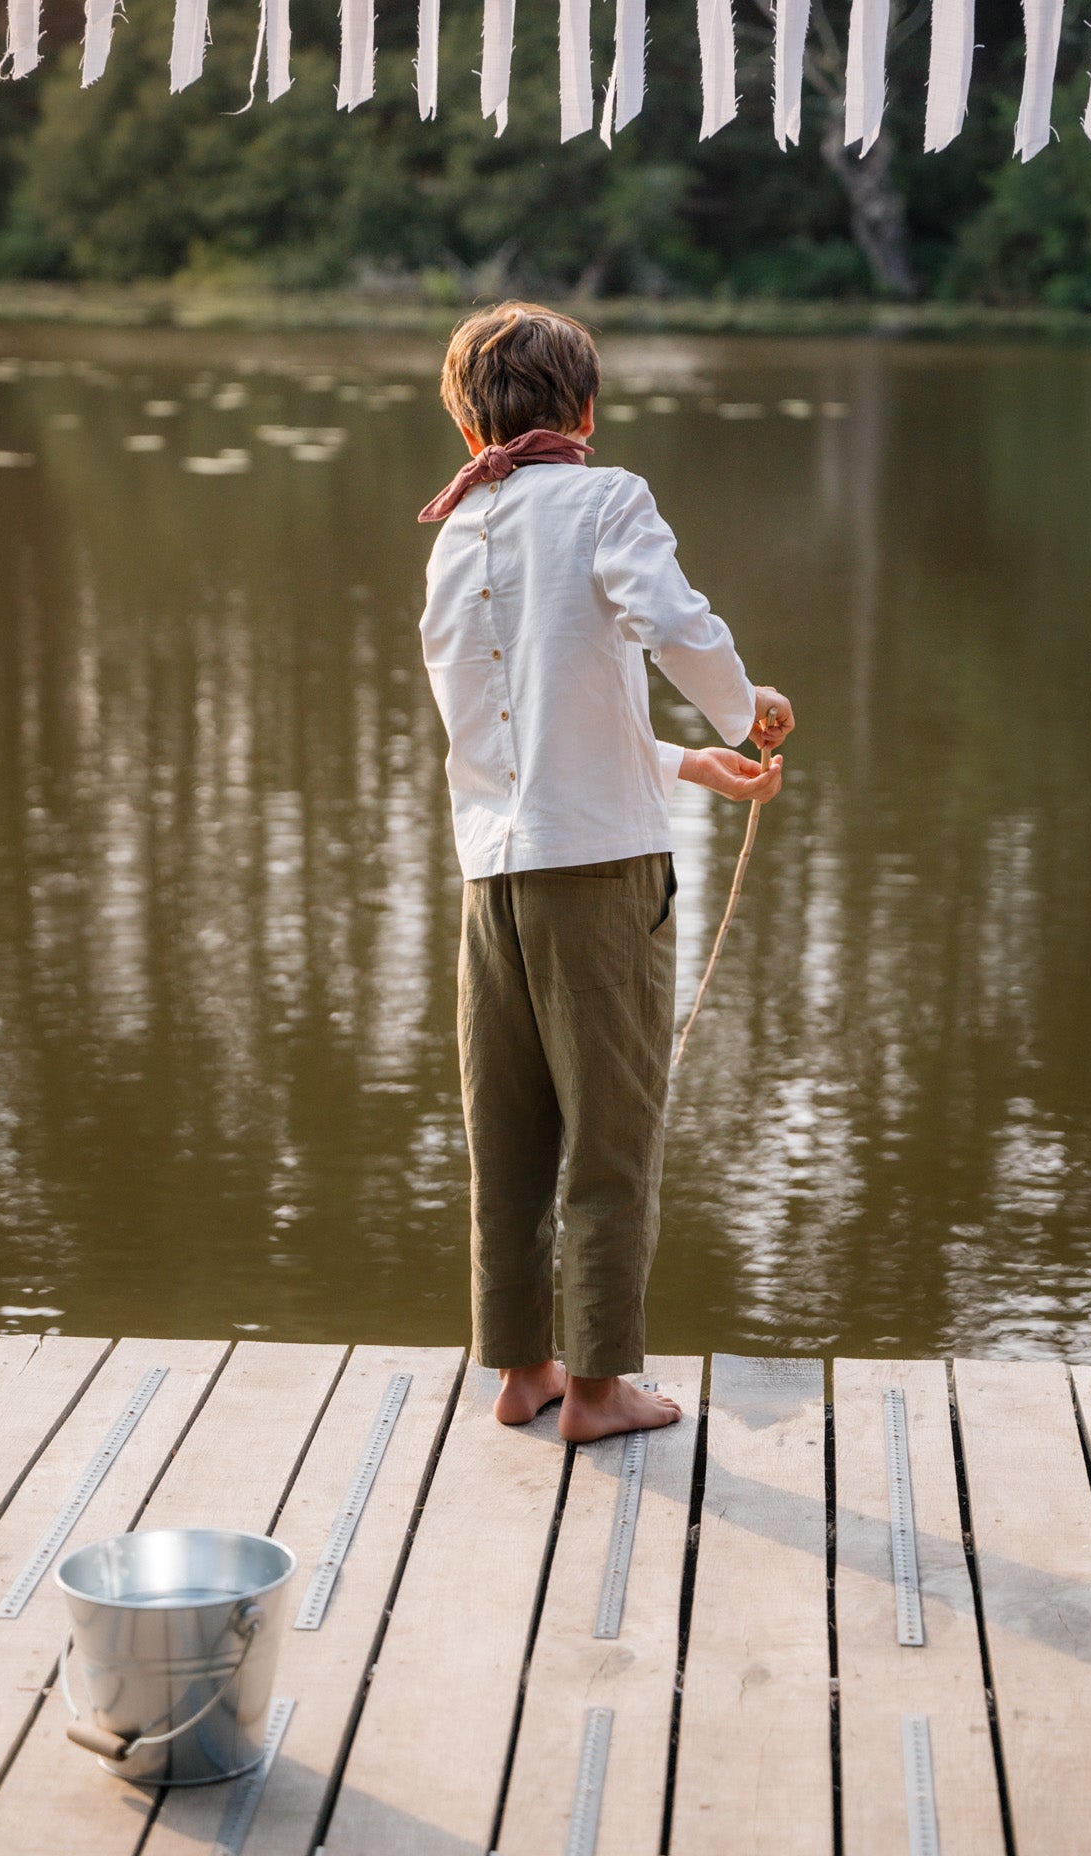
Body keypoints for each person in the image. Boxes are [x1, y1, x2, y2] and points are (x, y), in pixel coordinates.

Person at [418, 302, 794, 1440]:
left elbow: (517, 719)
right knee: (612, 1126)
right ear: (584, 409)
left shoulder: (454, 534)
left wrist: (690, 762)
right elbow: (666, 620)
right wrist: (745, 706)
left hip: (493, 878)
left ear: (464, 413)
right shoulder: (604, 497)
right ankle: (595, 1386)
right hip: (600, 873)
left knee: (512, 1125)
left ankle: (519, 1368)